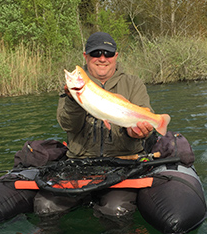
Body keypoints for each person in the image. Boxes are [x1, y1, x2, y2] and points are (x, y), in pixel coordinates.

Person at [34, 32, 156, 220]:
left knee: (115, 210)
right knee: (45, 206)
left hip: (123, 162)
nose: (102, 58)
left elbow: (144, 121)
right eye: (96, 53)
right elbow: (68, 126)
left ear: (116, 56)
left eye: (108, 53)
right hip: (78, 164)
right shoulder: (72, 89)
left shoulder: (133, 83)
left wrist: (137, 133)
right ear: (86, 56)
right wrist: (74, 99)